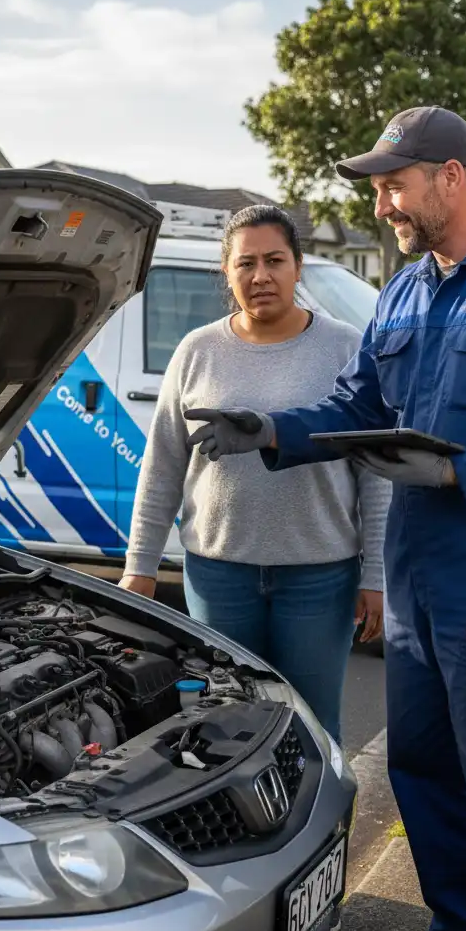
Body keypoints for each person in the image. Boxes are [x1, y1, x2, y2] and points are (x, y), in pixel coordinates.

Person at [183, 107, 466, 931]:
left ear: (451, 176)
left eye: (393, 184)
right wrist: (266, 429)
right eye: (378, 188)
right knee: (420, 766)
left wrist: (463, 474)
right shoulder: (407, 292)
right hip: (417, 585)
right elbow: (356, 409)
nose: (383, 204)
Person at [118, 204, 390, 751]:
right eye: (246, 263)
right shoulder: (196, 351)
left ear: (298, 266)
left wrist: (375, 576)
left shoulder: (345, 346)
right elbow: (163, 468)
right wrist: (139, 568)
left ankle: (323, 835)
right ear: (227, 272)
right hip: (219, 578)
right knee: (228, 727)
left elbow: (375, 472)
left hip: (319, 578)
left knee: (313, 730)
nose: (260, 275)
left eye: (274, 260)